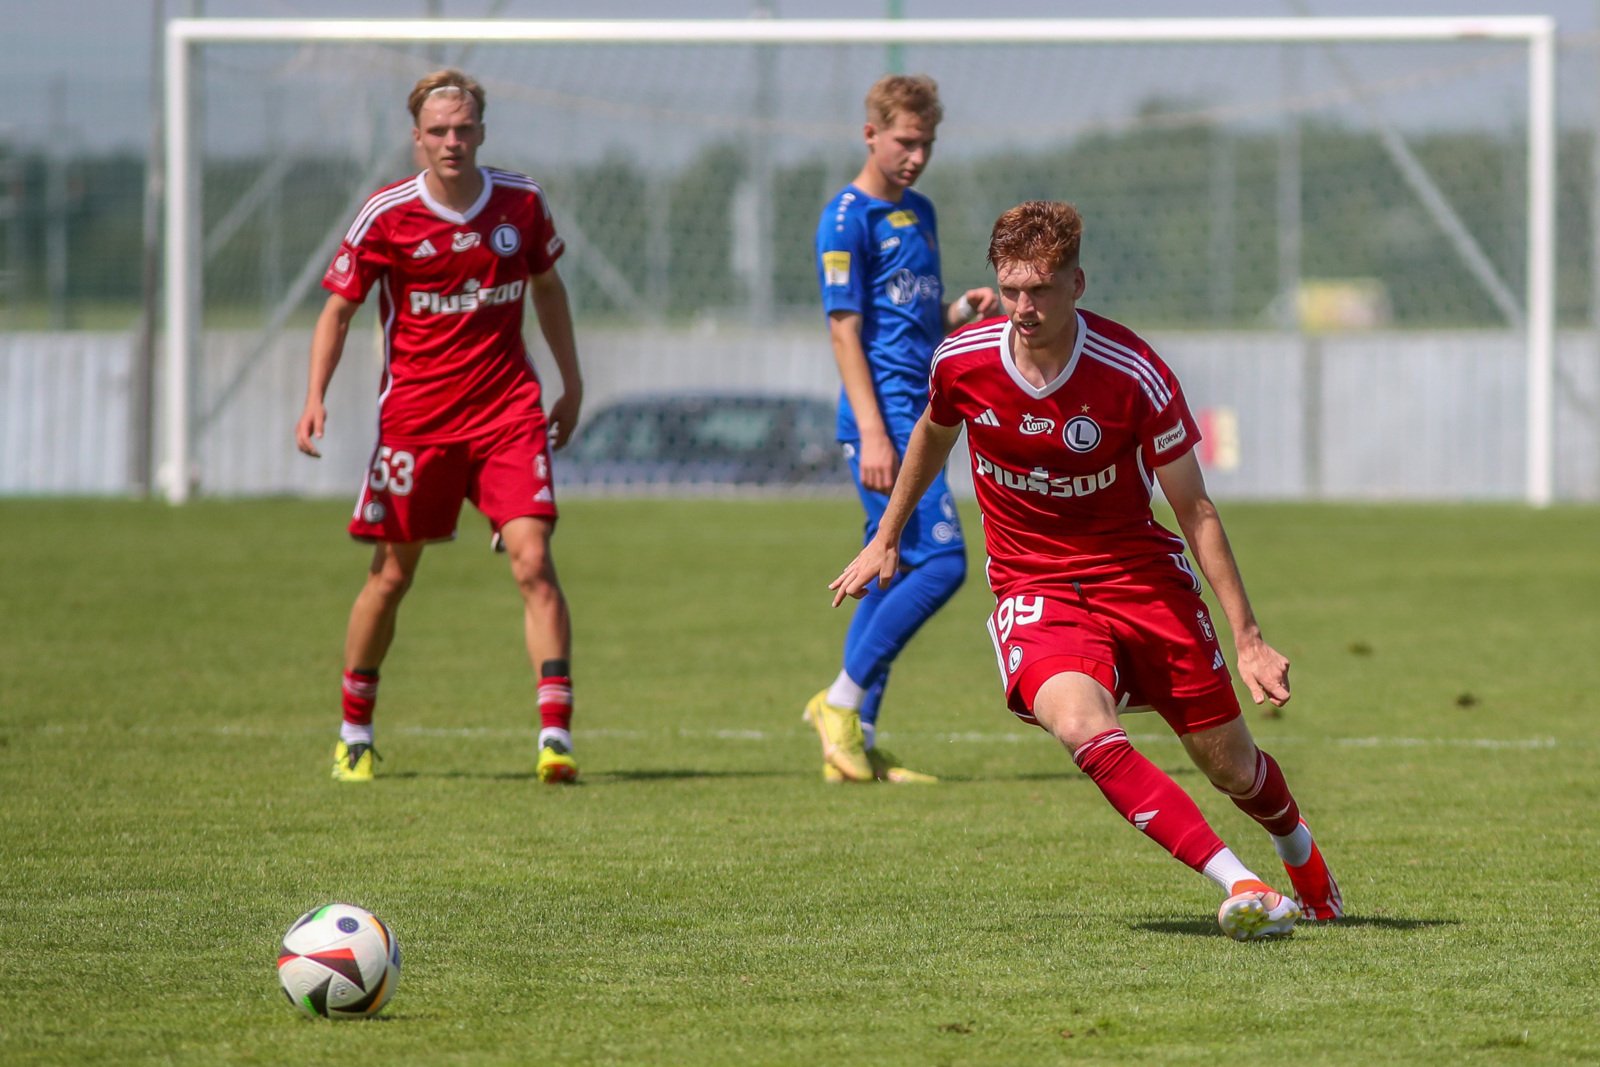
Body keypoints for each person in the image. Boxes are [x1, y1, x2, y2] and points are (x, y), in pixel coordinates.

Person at [830, 201, 1342, 939]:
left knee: (1230, 765)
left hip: (1140, 579)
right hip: (1034, 585)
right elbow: (932, 438)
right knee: (1078, 722)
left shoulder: (1133, 372)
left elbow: (1195, 509)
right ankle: (1241, 882)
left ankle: (1299, 852)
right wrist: (886, 534)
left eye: (1039, 288)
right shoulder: (964, 359)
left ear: (1078, 282)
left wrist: (1250, 636)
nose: (1022, 307)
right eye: (1009, 289)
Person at [295, 69, 585, 785]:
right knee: (392, 575)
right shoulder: (387, 214)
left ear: (481, 131)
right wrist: (314, 396)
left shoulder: (522, 201)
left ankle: (555, 738)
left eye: (464, 129)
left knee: (533, 560)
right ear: (417, 137)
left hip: (507, 414)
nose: (452, 142)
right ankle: (353, 731)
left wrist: (572, 382)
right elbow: (338, 308)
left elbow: (548, 287)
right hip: (417, 423)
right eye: (438, 131)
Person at [806, 74, 998, 784]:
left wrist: (957, 314)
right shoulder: (845, 217)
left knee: (886, 572)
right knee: (942, 563)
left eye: (927, 144)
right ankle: (839, 704)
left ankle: (851, 742)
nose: (916, 156)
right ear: (871, 135)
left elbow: (905, 319)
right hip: (880, 421)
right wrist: (873, 430)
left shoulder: (919, 212)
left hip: (921, 415)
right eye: (904, 142)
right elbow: (845, 330)